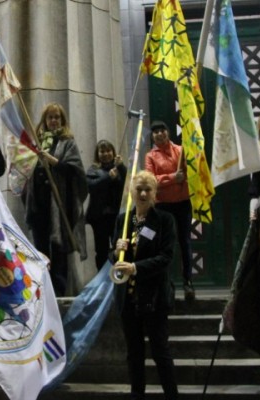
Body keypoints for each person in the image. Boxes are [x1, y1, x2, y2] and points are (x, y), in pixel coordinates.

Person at [112, 170, 178, 400]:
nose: (142, 193)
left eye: (147, 189)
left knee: (160, 351)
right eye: (138, 188)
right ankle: (137, 394)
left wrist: (136, 268)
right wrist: (116, 251)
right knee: (134, 352)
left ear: (154, 193)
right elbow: (115, 262)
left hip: (154, 297)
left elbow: (166, 257)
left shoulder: (164, 220)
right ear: (132, 191)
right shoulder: (123, 220)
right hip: (128, 298)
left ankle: (171, 395)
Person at [24, 102, 87, 296]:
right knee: (41, 249)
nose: (53, 121)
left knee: (59, 251)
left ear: (62, 120)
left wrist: (55, 163)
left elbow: (76, 171)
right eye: (50, 117)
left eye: (57, 117)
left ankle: (59, 292)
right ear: (44, 120)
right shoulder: (36, 142)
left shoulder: (68, 142)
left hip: (60, 205)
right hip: (39, 205)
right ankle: (43, 291)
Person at [144, 120, 194, 301]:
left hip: (183, 203)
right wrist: (173, 178)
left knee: (185, 243)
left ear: (168, 132)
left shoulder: (181, 151)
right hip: (163, 207)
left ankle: (188, 282)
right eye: (155, 132)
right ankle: (167, 284)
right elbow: (150, 180)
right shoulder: (151, 156)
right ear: (153, 136)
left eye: (162, 130)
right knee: (165, 246)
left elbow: (193, 173)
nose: (159, 134)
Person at [86, 139, 126, 270]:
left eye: (108, 150)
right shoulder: (93, 170)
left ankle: (117, 275)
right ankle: (102, 277)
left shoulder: (119, 168)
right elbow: (91, 186)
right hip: (100, 217)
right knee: (101, 250)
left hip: (117, 216)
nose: (106, 154)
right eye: (102, 151)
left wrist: (122, 167)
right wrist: (108, 177)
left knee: (118, 247)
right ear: (98, 154)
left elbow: (127, 184)